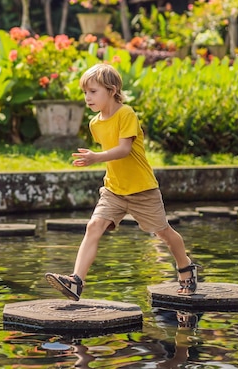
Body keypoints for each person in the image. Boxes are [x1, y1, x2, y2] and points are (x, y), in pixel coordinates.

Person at [45, 63, 200, 301]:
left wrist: (95, 158)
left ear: (112, 90)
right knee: (93, 227)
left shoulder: (126, 114)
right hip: (114, 190)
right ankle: (76, 281)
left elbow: (124, 149)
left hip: (142, 190)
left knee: (164, 233)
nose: (87, 97)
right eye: (85, 92)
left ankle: (186, 267)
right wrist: (99, 160)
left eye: (93, 91)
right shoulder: (95, 123)